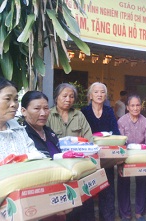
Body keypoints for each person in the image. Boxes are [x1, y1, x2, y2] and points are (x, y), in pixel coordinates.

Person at [47, 83, 94, 221]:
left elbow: (89, 138)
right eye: (65, 96)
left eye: (71, 96)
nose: (68, 99)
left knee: (83, 201)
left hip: (79, 166)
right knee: (63, 203)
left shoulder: (79, 115)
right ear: (56, 98)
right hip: (58, 168)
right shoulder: (49, 115)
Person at [81, 82, 120, 221]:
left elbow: (116, 133)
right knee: (89, 191)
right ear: (90, 95)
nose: (99, 94)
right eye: (96, 92)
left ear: (106, 95)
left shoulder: (109, 111)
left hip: (106, 159)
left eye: (102, 92)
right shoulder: (84, 111)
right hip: (89, 159)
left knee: (108, 192)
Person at [117, 95, 146, 221]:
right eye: (132, 105)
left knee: (142, 183)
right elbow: (120, 143)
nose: (135, 108)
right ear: (127, 107)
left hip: (141, 158)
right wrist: (120, 161)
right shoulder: (121, 121)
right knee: (123, 184)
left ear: (141, 106)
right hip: (125, 158)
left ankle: (139, 212)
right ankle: (125, 213)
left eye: (138, 105)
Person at [0, 78, 45, 161]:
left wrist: (24, 158)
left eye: (16, 99)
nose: (14, 104)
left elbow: (38, 155)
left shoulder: (18, 129)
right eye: (7, 99)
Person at [21, 91, 61, 158]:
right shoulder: (23, 136)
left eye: (46, 108)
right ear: (24, 111)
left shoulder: (50, 132)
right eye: (37, 108)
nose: (43, 113)